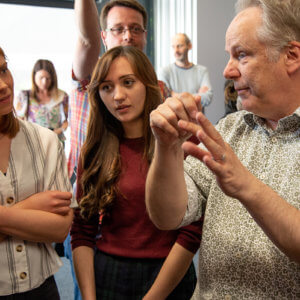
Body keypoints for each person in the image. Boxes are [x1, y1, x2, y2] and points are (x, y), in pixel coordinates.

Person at [146, 0, 300, 299]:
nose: (227, 70)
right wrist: (166, 150)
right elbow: (167, 216)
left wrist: (245, 185)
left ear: (291, 56)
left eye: (241, 55)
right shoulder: (228, 129)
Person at [70, 45, 201, 300]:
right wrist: (88, 297)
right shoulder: (94, 150)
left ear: (148, 84)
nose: (118, 95)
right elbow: (82, 230)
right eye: (107, 87)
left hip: (168, 275)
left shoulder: (181, 141)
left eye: (128, 82)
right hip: (108, 272)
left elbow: (191, 232)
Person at [0, 47, 76, 299]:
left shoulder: (45, 141)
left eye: (3, 69)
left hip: (41, 288)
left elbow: (59, 229)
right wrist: (33, 205)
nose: (3, 85)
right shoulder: (26, 97)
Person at [68, 0, 170, 179]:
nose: (128, 36)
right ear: (104, 36)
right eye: (118, 29)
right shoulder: (90, 77)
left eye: (136, 29)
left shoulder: (158, 88)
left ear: (145, 36)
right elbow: (87, 41)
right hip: (90, 191)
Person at [14, 59, 69, 144]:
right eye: (41, 78)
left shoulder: (62, 96)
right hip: (33, 143)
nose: (44, 82)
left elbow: (66, 122)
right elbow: (18, 122)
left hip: (56, 143)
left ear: (53, 78)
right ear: (34, 76)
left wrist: (56, 132)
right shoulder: (24, 96)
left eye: (48, 78)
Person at [159, 33, 213, 109]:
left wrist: (174, 95)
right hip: (173, 120)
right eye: (173, 47)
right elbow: (164, 98)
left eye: (180, 46)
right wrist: (197, 95)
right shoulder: (165, 72)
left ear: (189, 46)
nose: (176, 50)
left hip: (196, 120)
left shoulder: (202, 71)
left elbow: (207, 98)